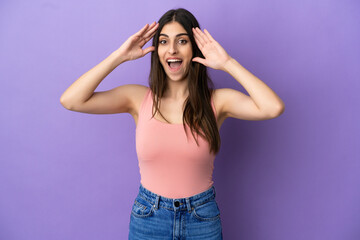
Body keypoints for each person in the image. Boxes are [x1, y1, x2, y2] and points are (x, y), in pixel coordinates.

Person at [60, 8, 285, 240]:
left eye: (182, 41)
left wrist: (227, 63)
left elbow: (272, 107)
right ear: (156, 51)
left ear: (194, 49)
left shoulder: (218, 101)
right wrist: (119, 56)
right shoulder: (137, 99)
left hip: (202, 218)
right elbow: (71, 100)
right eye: (164, 41)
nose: (172, 50)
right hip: (149, 217)